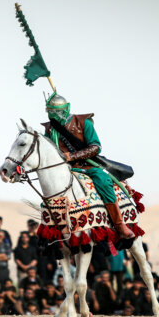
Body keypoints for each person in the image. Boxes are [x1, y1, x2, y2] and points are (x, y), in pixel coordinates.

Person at [40, 93, 139, 243]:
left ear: (66, 109)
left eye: (57, 112)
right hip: (64, 168)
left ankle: (119, 225)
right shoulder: (49, 128)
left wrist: (72, 156)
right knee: (50, 188)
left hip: (87, 165)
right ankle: (55, 230)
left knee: (103, 180)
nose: (54, 115)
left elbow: (95, 147)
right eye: (51, 112)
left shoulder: (84, 123)